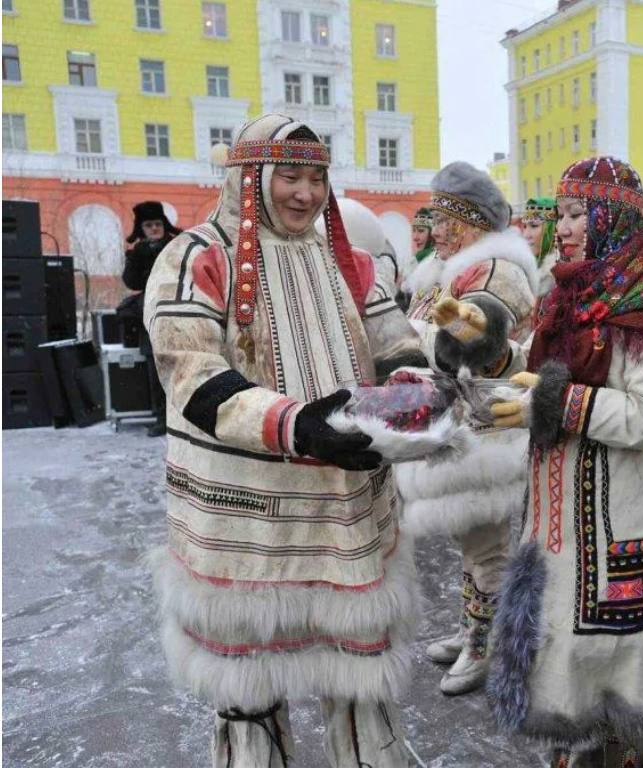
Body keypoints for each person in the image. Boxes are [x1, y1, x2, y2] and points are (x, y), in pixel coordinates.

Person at [144, 114, 429, 767]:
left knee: (361, 689)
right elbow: (191, 373)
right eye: (289, 176)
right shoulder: (196, 258)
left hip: (345, 513)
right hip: (246, 528)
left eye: (316, 178)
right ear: (251, 179)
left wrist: (411, 392)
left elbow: (399, 346)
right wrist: (297, 425)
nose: (305, 193)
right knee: (250, 698)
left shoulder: (352, 264)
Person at [486, 155, 643, 767]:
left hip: (611, 521)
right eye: (562, 214)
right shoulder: (571, 291)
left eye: (579, 213)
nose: (566, 227)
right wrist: (494, 353)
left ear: (611, 219)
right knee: (556, 656)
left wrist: (554, 402)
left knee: (615, 666)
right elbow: (540, 369)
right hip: (553, 519)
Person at [397, 161, 538, 696]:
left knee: (487, 544)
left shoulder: (496, 269)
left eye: (444, 219)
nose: (435, 230)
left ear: (470, 221)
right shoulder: (450, 266)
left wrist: (445, 338)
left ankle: (492, 646)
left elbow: (478, 340)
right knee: (470, 539)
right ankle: (472, 628)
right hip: (459, 418)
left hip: (488, 422)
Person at [121, 200, 181, 436]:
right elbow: (132, 283)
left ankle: (183, 418)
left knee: (183, 366)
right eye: (149, 225)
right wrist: (134, 259)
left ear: (164, 224)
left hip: (179, 311)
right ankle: (162, 419)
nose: (154, 229)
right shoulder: (138, 251)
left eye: (157, 224)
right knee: (155, 370)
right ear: (141, 228)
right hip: (152, 314)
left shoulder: (178, 245)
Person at [519, 196, 559, 297]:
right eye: (525, 226)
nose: (526, 235)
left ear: (552, 228)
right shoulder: (525, 267)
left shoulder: (558, 273)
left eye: (534, 226)